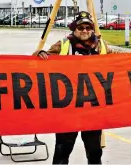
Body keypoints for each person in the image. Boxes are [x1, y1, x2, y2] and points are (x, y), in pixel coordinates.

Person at [35, 11, 117, 164]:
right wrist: (39, 53)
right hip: (68, 110)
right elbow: (37, 61)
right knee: (62, 153)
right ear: (74, 29)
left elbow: (122, 60)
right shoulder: (63, 44)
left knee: (94, 154)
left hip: (93, 109)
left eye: (88, 27)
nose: (85, 31)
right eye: (81, 28)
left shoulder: (102, 46)